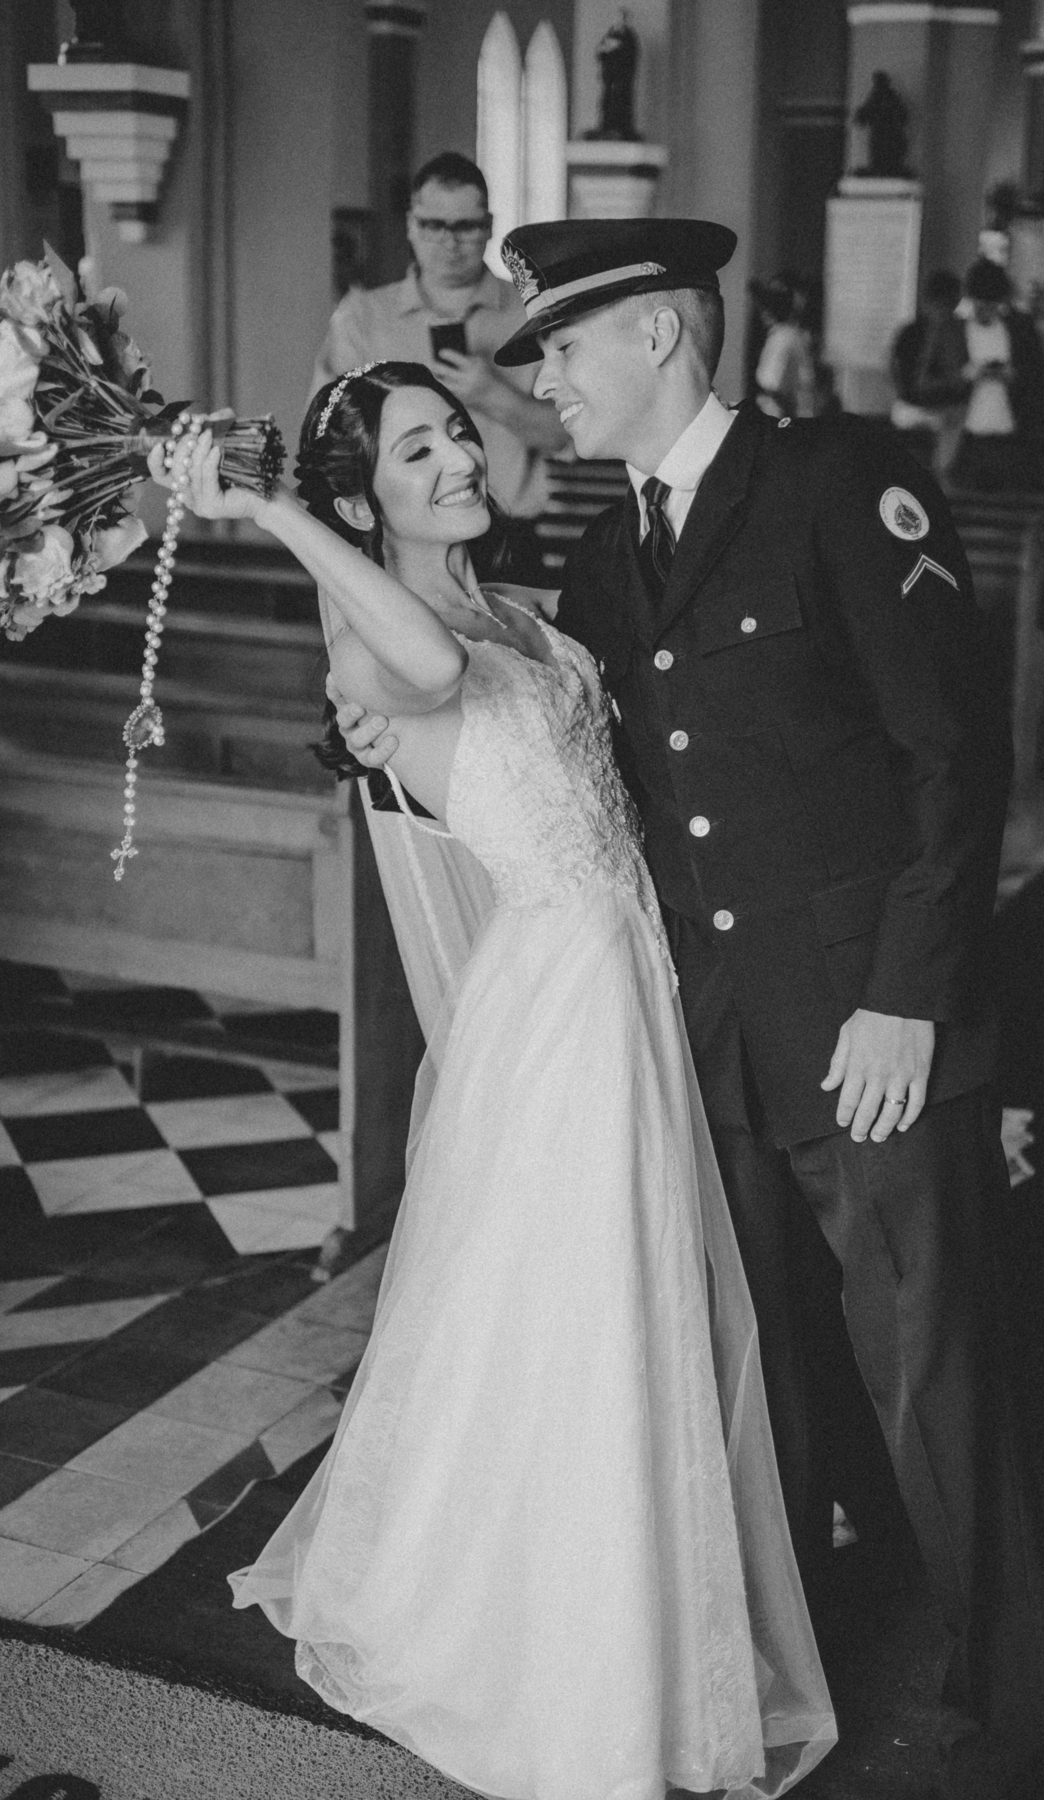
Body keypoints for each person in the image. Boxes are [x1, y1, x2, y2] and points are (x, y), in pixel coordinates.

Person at [149, 364, 835, 1800]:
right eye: (417, 452)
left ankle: (645, 1622)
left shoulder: (517, 608)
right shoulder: (369, 651)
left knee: (633, 1310)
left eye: (456, 431)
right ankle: (579, 1675)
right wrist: (275, 512)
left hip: (630, 968)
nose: (461, 457)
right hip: (563, 1006)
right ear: (361, 502)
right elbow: (431, 672)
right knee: (590, 1315)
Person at [469, 216, 1044, 1800]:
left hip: (869, 1031)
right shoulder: (605, 557)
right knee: (769, 1376)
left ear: (659, 332)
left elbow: (952, 757)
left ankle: (1003, 1717)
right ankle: (793, 1672)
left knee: (929, 1374)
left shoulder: (838, 486)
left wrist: (909, 1001)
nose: (546, 382)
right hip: (715, 1035)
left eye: (564, 347)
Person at [311, 152, 567, 574]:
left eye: (465, 226)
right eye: (434, 225)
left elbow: (564, 434)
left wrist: (493, 395)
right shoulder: (363, 317)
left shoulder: (533, 312)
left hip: (507, 538)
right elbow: (326, 441)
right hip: (395, 543)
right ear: (411, 225)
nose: (450, 243)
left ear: (489, 226)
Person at [947, 258, 1044, 493]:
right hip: (967, 439)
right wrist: (966, 376)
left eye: (991, 306)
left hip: (1013, 439)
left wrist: (1014, 375)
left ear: (1002, 302)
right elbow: (940, 379)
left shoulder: (1020, 328)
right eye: (979, 304)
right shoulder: (955, 330)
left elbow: (1041, 377)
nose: (985, 311)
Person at [889, 269, 971, 477]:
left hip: (912, 408)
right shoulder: (950, 331)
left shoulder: (910, 331)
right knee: (958, 418)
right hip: (924, 409)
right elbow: (914, 381)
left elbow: (896, 372)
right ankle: (942, 476)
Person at [750, 275, 820, 420]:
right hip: (774, 404)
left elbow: (775, 383)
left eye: (768, 307)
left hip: (778, 407)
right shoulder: (783, 334)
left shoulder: (786, 337)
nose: (763, 313)